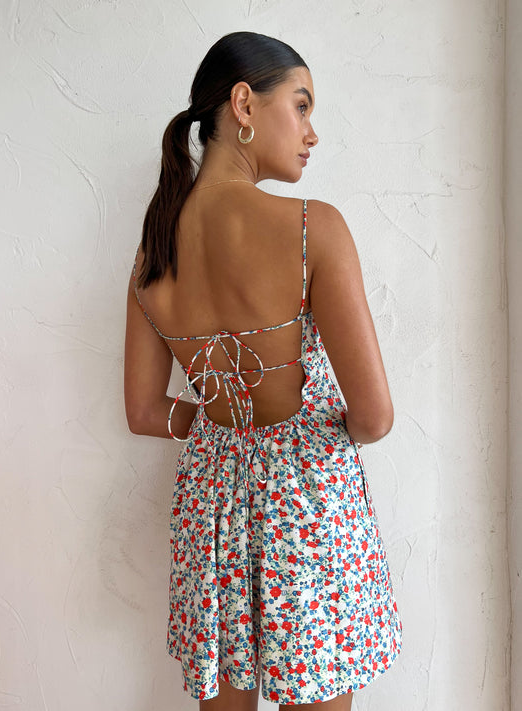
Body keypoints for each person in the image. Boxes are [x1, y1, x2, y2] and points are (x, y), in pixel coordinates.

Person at [124, 31, 402, 711]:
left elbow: (144, 411)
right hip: (305, 506)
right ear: (244, 104)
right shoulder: (313, 229)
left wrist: (226, 428)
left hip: (211, 504)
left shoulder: (153, 251)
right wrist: (294, 438)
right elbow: (374, 417)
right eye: (301, 106)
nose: (312, 132)